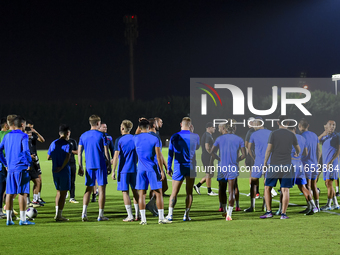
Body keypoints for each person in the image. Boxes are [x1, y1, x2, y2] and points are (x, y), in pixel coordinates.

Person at [260, 116, 300, 220]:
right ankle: (283, 214)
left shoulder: (273, 133)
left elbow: (268, 150)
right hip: (287, 165)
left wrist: (265, 163)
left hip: (275, 165)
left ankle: (269, 212)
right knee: (285, 190)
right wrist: (296, 152)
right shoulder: (292, 134)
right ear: (288, 123)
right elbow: (298, 149)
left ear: (278, 122)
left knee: (267, 187)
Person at [133, 119, 171, 225]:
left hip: (140, 169)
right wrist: (162, 171)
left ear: (140, 128)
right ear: (149, 127)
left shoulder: (135, 138)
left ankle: (143, 220)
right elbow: (159, 156)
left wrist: (139, 125)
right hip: (152, 169)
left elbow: (136, 133)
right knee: (159, 193)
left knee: (142, 194)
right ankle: (161, 218)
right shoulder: (154, 138)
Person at [0, 116, 35, 225]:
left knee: (9, 193)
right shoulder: (23, 136)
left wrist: (5, 163)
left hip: (10, 169)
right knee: (23, 193)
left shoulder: (7, 136)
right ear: (22, 125)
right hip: (21, 167)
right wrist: (29, 163)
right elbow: (25, 151)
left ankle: (9, 219)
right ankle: (23, 219)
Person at [210, 120, 246, 221]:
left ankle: (224, 209)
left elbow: (212, 152)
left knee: (221, 189)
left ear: (225, 128)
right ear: (233, 129)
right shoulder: (239, 139)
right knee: (231, 190)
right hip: (232, 167)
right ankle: (229, 214)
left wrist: (219, 158)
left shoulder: (219, 138)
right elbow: (244, 154)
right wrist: (237, 159)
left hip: (222, 166)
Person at [166, 117, 200, 222]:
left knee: (174, 192)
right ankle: (186, 215)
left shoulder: (175, 136)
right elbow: (197, 147)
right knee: (189, 192)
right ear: (190, 126)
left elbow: (170, 153)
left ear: (181, 124)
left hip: (178, 166)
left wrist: (168, 167)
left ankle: (170, 215)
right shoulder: (195, 136)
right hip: (191, 167)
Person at [78, 115, 111, 222]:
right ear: (98, 124)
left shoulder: (83, 136)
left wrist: (80, 166)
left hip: (89, 166)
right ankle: (100, 215)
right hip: (100, 165)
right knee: (101, 190)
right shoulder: (102, 135)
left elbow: (79, 153)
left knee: (88, 189)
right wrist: (109, 165)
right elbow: (106, 152)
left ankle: (84, 214)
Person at [111, 120, 139, 222]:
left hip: (123, 170)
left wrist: (113, 171)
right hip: (134, 169)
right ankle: (138, 214)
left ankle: (130, 215)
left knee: (125, 192)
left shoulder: (119, 140)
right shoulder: (135, 138)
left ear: (122, 128)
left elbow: (116, 156)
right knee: (135, 191)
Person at [284, 126, 316, 215]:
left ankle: (282, 211)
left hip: (290, 163)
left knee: (285, 188)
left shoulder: (287, 138)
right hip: (299, 163)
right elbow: (305, 152)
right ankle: (313, 206)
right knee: (303, 187)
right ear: (294, 129)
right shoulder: (302, 138)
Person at [244, 117, 271, 212]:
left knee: (253, 183)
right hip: (269, 162)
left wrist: (254, 157)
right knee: (267, 185)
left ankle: (252, 206)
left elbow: (249, 148)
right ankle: (265, 206)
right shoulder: (271, 133)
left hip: (258, 162)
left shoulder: (254, 134)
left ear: (257, 124)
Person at [47, 124, 72, 221]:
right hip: (63, 171)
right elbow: (67, 157)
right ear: (67, 133)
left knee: (58, 192)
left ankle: (57, 213)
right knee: (64, 193)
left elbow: (48, 157)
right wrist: (61, 167)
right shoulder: (67, 144)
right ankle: (59, 215)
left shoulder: (53, 143)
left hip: (54, 171)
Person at [298, 119, 321, 212]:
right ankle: (317, 206)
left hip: (305, 163)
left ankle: (311, 207)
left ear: (299, 126)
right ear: (308, 125)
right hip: (314, 163)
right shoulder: (314, 135)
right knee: (314, 186)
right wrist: (317, 162)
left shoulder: (301, 137)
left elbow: (303, 151)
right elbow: (319, 151)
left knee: (307, 186)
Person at [318, 120, 340, 210]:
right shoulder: (325, 137)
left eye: (334, 125)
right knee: (328, 184)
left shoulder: (337, 136)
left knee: (328, 183)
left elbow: (339, 150)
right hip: (326, 163)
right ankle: (335, 204)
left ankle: (328, 204)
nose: (332, 126)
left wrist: (331, 161)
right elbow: (316, 140)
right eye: (330, 124)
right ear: (325, 126)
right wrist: (323, 133)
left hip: (331, 163)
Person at [194, 122, 217, 196]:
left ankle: (198, 185)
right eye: (213, 127)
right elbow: (207, 147)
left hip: (207, 156)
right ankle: (209, 191)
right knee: (209, 173)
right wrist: (212, 154)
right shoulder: (207, 135)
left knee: (211, 173)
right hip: (207, 156)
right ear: (209, 128)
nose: (214, 128)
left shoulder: (208, 135)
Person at [26, 120, 46, 205]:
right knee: (28, 181)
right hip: (27, 160)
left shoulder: (33, 135)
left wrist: (36, 132)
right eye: (29, 127)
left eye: (32, 127)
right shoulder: (23, 137)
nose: (31, 129)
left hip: (35, 160)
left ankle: (37, 198)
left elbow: (42, 140)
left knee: (39, 179)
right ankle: (27, 200)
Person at [0, 117, 11, 219]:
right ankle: (6, 208)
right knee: (5, 188)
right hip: (4, 165)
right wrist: (6, 164)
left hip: (2, 164)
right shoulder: (7, 135)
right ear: (6, 125)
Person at [67, 128, 79, 203]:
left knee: (72, 181)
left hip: (72, 163)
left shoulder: (72, 141)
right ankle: (63, 194)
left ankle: (72, 197)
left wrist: (70, 150)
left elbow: (77, 152)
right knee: (64, 180)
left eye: (68, 132)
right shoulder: (60, 142)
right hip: (63, 164)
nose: (67, 133)